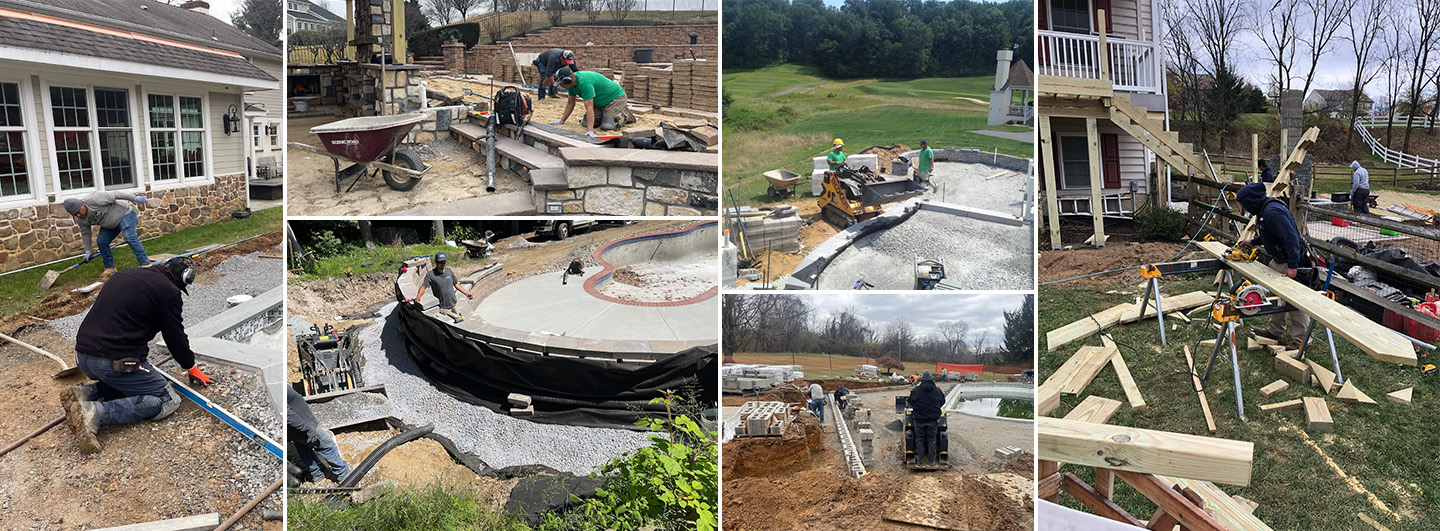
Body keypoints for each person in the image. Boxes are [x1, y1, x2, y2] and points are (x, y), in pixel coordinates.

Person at [59, 258, 210, 454]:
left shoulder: (124, 274)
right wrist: (190, 366)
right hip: (112, 362)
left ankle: (85, 393)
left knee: (135, 382)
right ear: (180, 281)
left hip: (83, 356)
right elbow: (175, 335)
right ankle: (94, 413)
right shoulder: (169, 292)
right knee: (166, 399)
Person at [1235, 183, 1313, 350]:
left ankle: (1302, 340)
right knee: (1275, 296)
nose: (1244, 209)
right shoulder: (1263, 211)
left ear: (1250, 201)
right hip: (1280, 259)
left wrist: (1292, 267)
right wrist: (1253, 241)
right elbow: (1271, 235)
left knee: (1294, 302)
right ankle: (1275, 331)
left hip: (1291, 260)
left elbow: (1290, 238)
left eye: (1244, 205)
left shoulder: (1272, 212)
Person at [63, 191, 151, 276]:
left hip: (124, 214)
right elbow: (86, 233)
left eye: (78, 212)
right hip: (109, 224)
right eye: (75, 214)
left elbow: (116, 194)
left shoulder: (94, 199)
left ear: (82, 204)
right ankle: (110, 268)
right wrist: (88, 251)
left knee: (130, 237)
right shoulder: (79, 219)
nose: (78, 215)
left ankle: (145, 265)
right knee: (102, 242)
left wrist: (134, 198)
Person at [288, 386, 351, 484]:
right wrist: (306, 427)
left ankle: (318, 474)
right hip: (304, 424)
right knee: (327, 445)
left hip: (294, 430)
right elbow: (287, 415)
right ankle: (344, 474)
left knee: (305, 450)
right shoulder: (277, 389)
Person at [549, 67, 635, 135]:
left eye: (561, 83)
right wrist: (561, 121)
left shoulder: (585, 83)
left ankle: (626, 115)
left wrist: (590, 131)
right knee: (585, 123)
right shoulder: (571, 85)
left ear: (568, 80)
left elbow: (589, 107)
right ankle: (606, 114)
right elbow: (570, 103)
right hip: (599, 102)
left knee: (607, 126)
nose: (560, 86)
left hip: (615, 98)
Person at [412, 252, 474, 323]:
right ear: (435, 261)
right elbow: (423, 287)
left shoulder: (449, 271)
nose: (442, 264)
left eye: (444, 262)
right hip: (443, 308)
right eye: (440, 262)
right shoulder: (431, 275)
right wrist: (418, 296)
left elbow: (456, 284)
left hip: (454, 304)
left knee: (460, 321)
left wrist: (466, 293)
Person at [908, 371, 945, 466]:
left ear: (922, 380)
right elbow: (942, 402)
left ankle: (920, 461)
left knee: (920, 439)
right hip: (933, 420)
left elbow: (910, 402)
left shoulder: (915, 391)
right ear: (932, 379)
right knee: (932, 439)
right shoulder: (938, 391)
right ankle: (932, 461)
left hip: (919, 419)